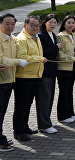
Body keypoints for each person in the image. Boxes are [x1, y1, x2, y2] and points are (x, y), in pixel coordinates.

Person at [14, 16, 47, 142]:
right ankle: (18, 131)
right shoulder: (22, 39)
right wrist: (39, 59)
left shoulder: (36, 37)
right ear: (25, 25)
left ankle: (24, 126)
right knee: (21, 105)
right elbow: (23, 57)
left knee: (28, 104)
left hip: (35, 76)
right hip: (24, 77)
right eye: (32, 25)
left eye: (37, 25)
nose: (35, 27)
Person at [0, 14, 22, 151]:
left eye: (13, 24)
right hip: (1, 81)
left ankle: (0, 136)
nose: (10, 26)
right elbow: (3, 60)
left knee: (2, 112)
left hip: (10, 80)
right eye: (7, 23)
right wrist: (19, 62)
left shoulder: (13, 39)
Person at [37, 14, 62, 134]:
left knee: (50, 97)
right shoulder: (41, 35)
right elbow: (42, 53)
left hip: (53, 70)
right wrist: (56, 47)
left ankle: (47, 120)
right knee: (44, 98)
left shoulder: (53, 35)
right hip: (45, 71)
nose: (52, 24)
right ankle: (44, 125)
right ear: (45, 22)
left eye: (55, 22)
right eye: (50, 22)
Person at [55, 14, 75, 123]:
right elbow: (60, 55)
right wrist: (73, 58)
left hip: (72, 68)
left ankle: (70, 113)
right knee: (64, 92)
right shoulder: (60, 36)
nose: (71, 25)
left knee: (69, 92)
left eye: (73, 23)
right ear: (64, 24)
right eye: (69, 23)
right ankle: (62, 116)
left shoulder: (73, 35)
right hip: (63, 69)